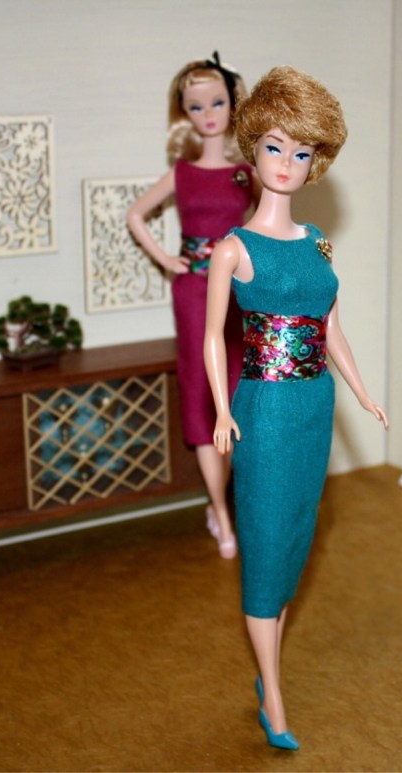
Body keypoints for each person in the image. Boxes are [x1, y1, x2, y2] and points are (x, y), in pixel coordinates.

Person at [204, 66, 389, 750]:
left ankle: (269, 673)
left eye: (302, 152)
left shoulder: (316, 242)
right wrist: (222, 410)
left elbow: (330, 325)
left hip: (314, 405)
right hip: (265, 409)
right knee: (264, 543)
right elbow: (213, 338)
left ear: (317, 162)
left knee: (292, 540)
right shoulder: (233, 249)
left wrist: (362, 391)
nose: (286, 163)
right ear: (253, 149)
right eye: (275, 147)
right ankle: (274, 699)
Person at [127, 53, 259, 559]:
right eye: (196, 106)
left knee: (238, 389)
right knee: (202, 392)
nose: (208, 114)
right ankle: (220, 512)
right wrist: (166, 259)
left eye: (217, 103)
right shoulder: (181, 173)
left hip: (238, 297)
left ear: (232, 104)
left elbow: (266, 225)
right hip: (192, 293)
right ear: (184, 112)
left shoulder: (246, 173)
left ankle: (232, 504)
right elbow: (136, 214)